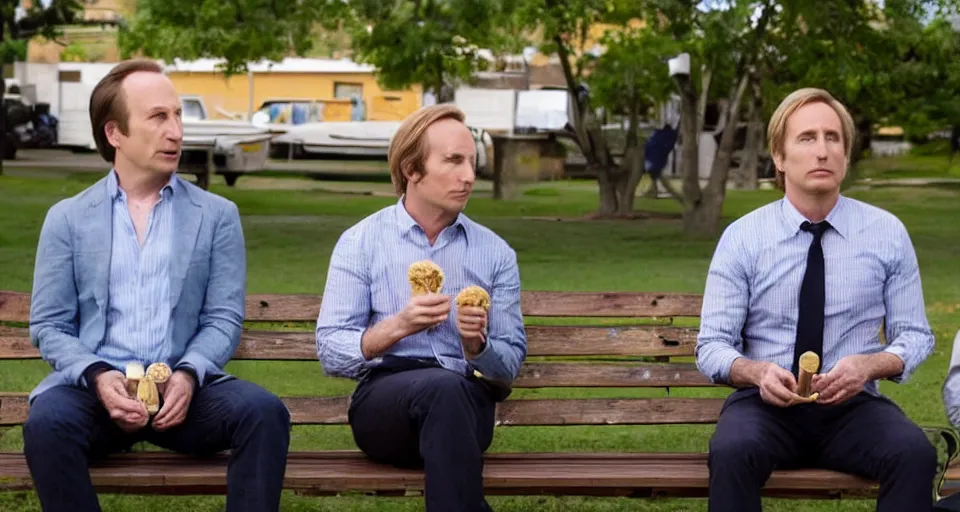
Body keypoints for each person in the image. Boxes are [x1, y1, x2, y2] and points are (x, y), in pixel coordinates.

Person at [23, 58, 291, 512]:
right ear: (115, 133)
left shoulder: (216, 216)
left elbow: (223, 318)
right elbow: (49, 325)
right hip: (97, 393)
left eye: (178, 116)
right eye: (158, 117)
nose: (176, 132)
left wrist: (188, 373)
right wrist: (97, 376)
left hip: (185, 395)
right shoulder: (68, 219)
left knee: (264, 412)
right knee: (47, 423)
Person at [695, 87, 937, 512]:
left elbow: (915, 335)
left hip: (852, 408)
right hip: (764, 406)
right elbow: (712, 345)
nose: (822, 151)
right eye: (807, 138)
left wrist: (870, 366)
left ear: (846, 154)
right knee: (733, 450)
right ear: (780, 156)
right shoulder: (743, 238)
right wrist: (757, 372)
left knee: (914, 452)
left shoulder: (887, 233)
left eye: (833, 138)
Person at [315, 104, 527, 512]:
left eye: (472, 163)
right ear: (411, 169)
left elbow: (509, 364)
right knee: (442, 388)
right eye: (453, 160)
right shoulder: (360, 243)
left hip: (465, 405)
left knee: (450, 390)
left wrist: (477, 346)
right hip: (385, 407)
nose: (469, 176)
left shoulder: (495, 253)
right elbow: (331, 351)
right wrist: (397, 326)